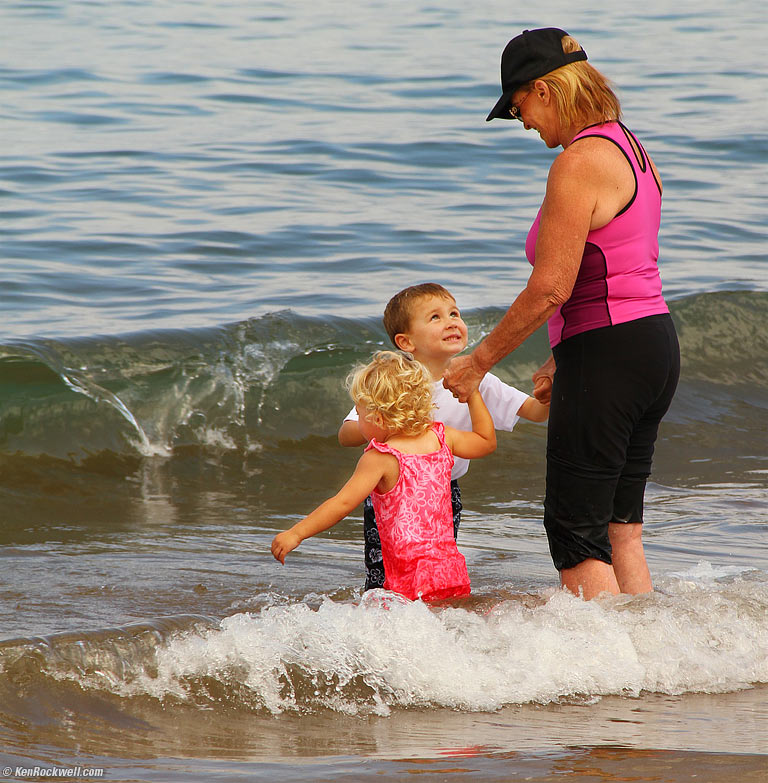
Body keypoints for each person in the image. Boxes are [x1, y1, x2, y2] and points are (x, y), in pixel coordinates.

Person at [443, 28, 680, 600]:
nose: (521, 121)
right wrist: (561, 351)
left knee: (575, 534)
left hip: (608, 355)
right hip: (649, 345)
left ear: (545, 90)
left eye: (518, 104)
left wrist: (478, 362)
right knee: (621, 528)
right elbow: (620, 263)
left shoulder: (579, 161)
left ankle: (608, 677)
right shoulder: (630, 146)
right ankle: (649, 667)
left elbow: (551, 287)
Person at [338, 283, 549, 590]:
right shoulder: (395, 380)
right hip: (391, 488)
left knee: (437, 573)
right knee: (384, 575)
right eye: (435, 317)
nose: (451, 321)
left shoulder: (479, 379)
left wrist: (551, 390)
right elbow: (346, 434)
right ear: (405, 341)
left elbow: (536, 412)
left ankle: (434, 625)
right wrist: (387, 427)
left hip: (443, 492)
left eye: (454, 313)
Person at [272, 350, 497, 602]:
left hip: (406, 573)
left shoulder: (380, 457)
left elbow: (342, 503)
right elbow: (486, 441)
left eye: (358, 413)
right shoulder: (441, 437)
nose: (357, 422)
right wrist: (473, 395)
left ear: (377, 417)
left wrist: (296, 533)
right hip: (447, 566)